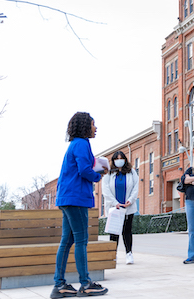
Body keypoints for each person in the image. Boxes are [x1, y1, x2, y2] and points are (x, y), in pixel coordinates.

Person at [51, 112, 108, 298]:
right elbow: (84, 170)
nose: (96, 127)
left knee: (66, 242)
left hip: (67, 198)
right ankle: (85, 284)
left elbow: (80, 168)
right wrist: (98, 176)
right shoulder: (82, 143)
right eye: (93, 124)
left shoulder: (74, 144)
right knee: (81, 241)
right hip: (76, 198)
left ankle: (59, 285)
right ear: (85, 126)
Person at [101, 150, 139, 265]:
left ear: (125, 160)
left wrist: (131, 200)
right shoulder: (108, 174)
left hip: (128, 207)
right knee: (114, 232)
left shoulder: (131, 172)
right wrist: (115, 203)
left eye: (121, 158)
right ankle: (113, 255)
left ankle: (129, 254)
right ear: (113, 161)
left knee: (127, 231)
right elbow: (105, 190)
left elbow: (136, 187)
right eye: (116, 159)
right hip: (115, 208)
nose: (119, 161)